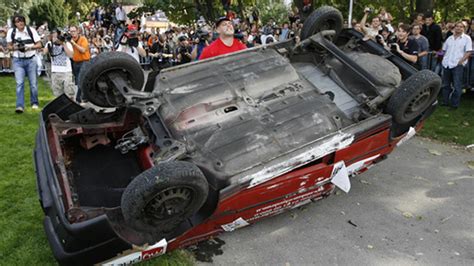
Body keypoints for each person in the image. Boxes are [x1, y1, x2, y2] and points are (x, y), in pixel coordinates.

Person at [6, 14, 42, 113]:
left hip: (31, 59)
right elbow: (8, 46)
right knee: (19, 83)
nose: (20, 23)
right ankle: (19, 106)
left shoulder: (31, 30)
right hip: (18, 60)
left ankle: (34, 102)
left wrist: (29, 47)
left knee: (33, 83)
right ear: (14, 23)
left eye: (21, 20)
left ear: (24, 21)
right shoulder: (11, 32)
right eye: (17, 21)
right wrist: (17, 47)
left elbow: (39, 44)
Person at [440, 22, 472, 110]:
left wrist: (461, 61)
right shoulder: (449, 38)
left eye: (461, 27)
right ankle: (445, 102)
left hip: (457, 65)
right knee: (445, 85)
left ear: (464, 29)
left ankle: (454, 104)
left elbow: (468, 51)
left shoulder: (466, 38)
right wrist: (439, 55)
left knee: (457, 86)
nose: (458, 28)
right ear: (454, 28)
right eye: (457, 26)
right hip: (446, 64)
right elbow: (443, 50)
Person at [43, 30, 75, 99]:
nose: (56, 38)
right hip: (55, 72)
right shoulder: (50, 44)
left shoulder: (67, 44)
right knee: (57, 94)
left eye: (57, 36)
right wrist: (50, 42)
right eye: (54, 36)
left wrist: (63, 44)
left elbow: (71, 55)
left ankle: (72, 107)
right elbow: (44, 52)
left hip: (66, 72)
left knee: (69, 93)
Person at [69, 25, 91, 103]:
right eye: (71, 31)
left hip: (84, 62)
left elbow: (83, 50)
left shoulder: (83, 39)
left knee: (80, 80)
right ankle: (84, 97)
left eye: (74, 31)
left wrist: (74, 44)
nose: (72, 33)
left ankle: (79, 99)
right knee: (78, 81)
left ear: (78, 31)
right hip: (75, 62)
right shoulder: (71, 40)